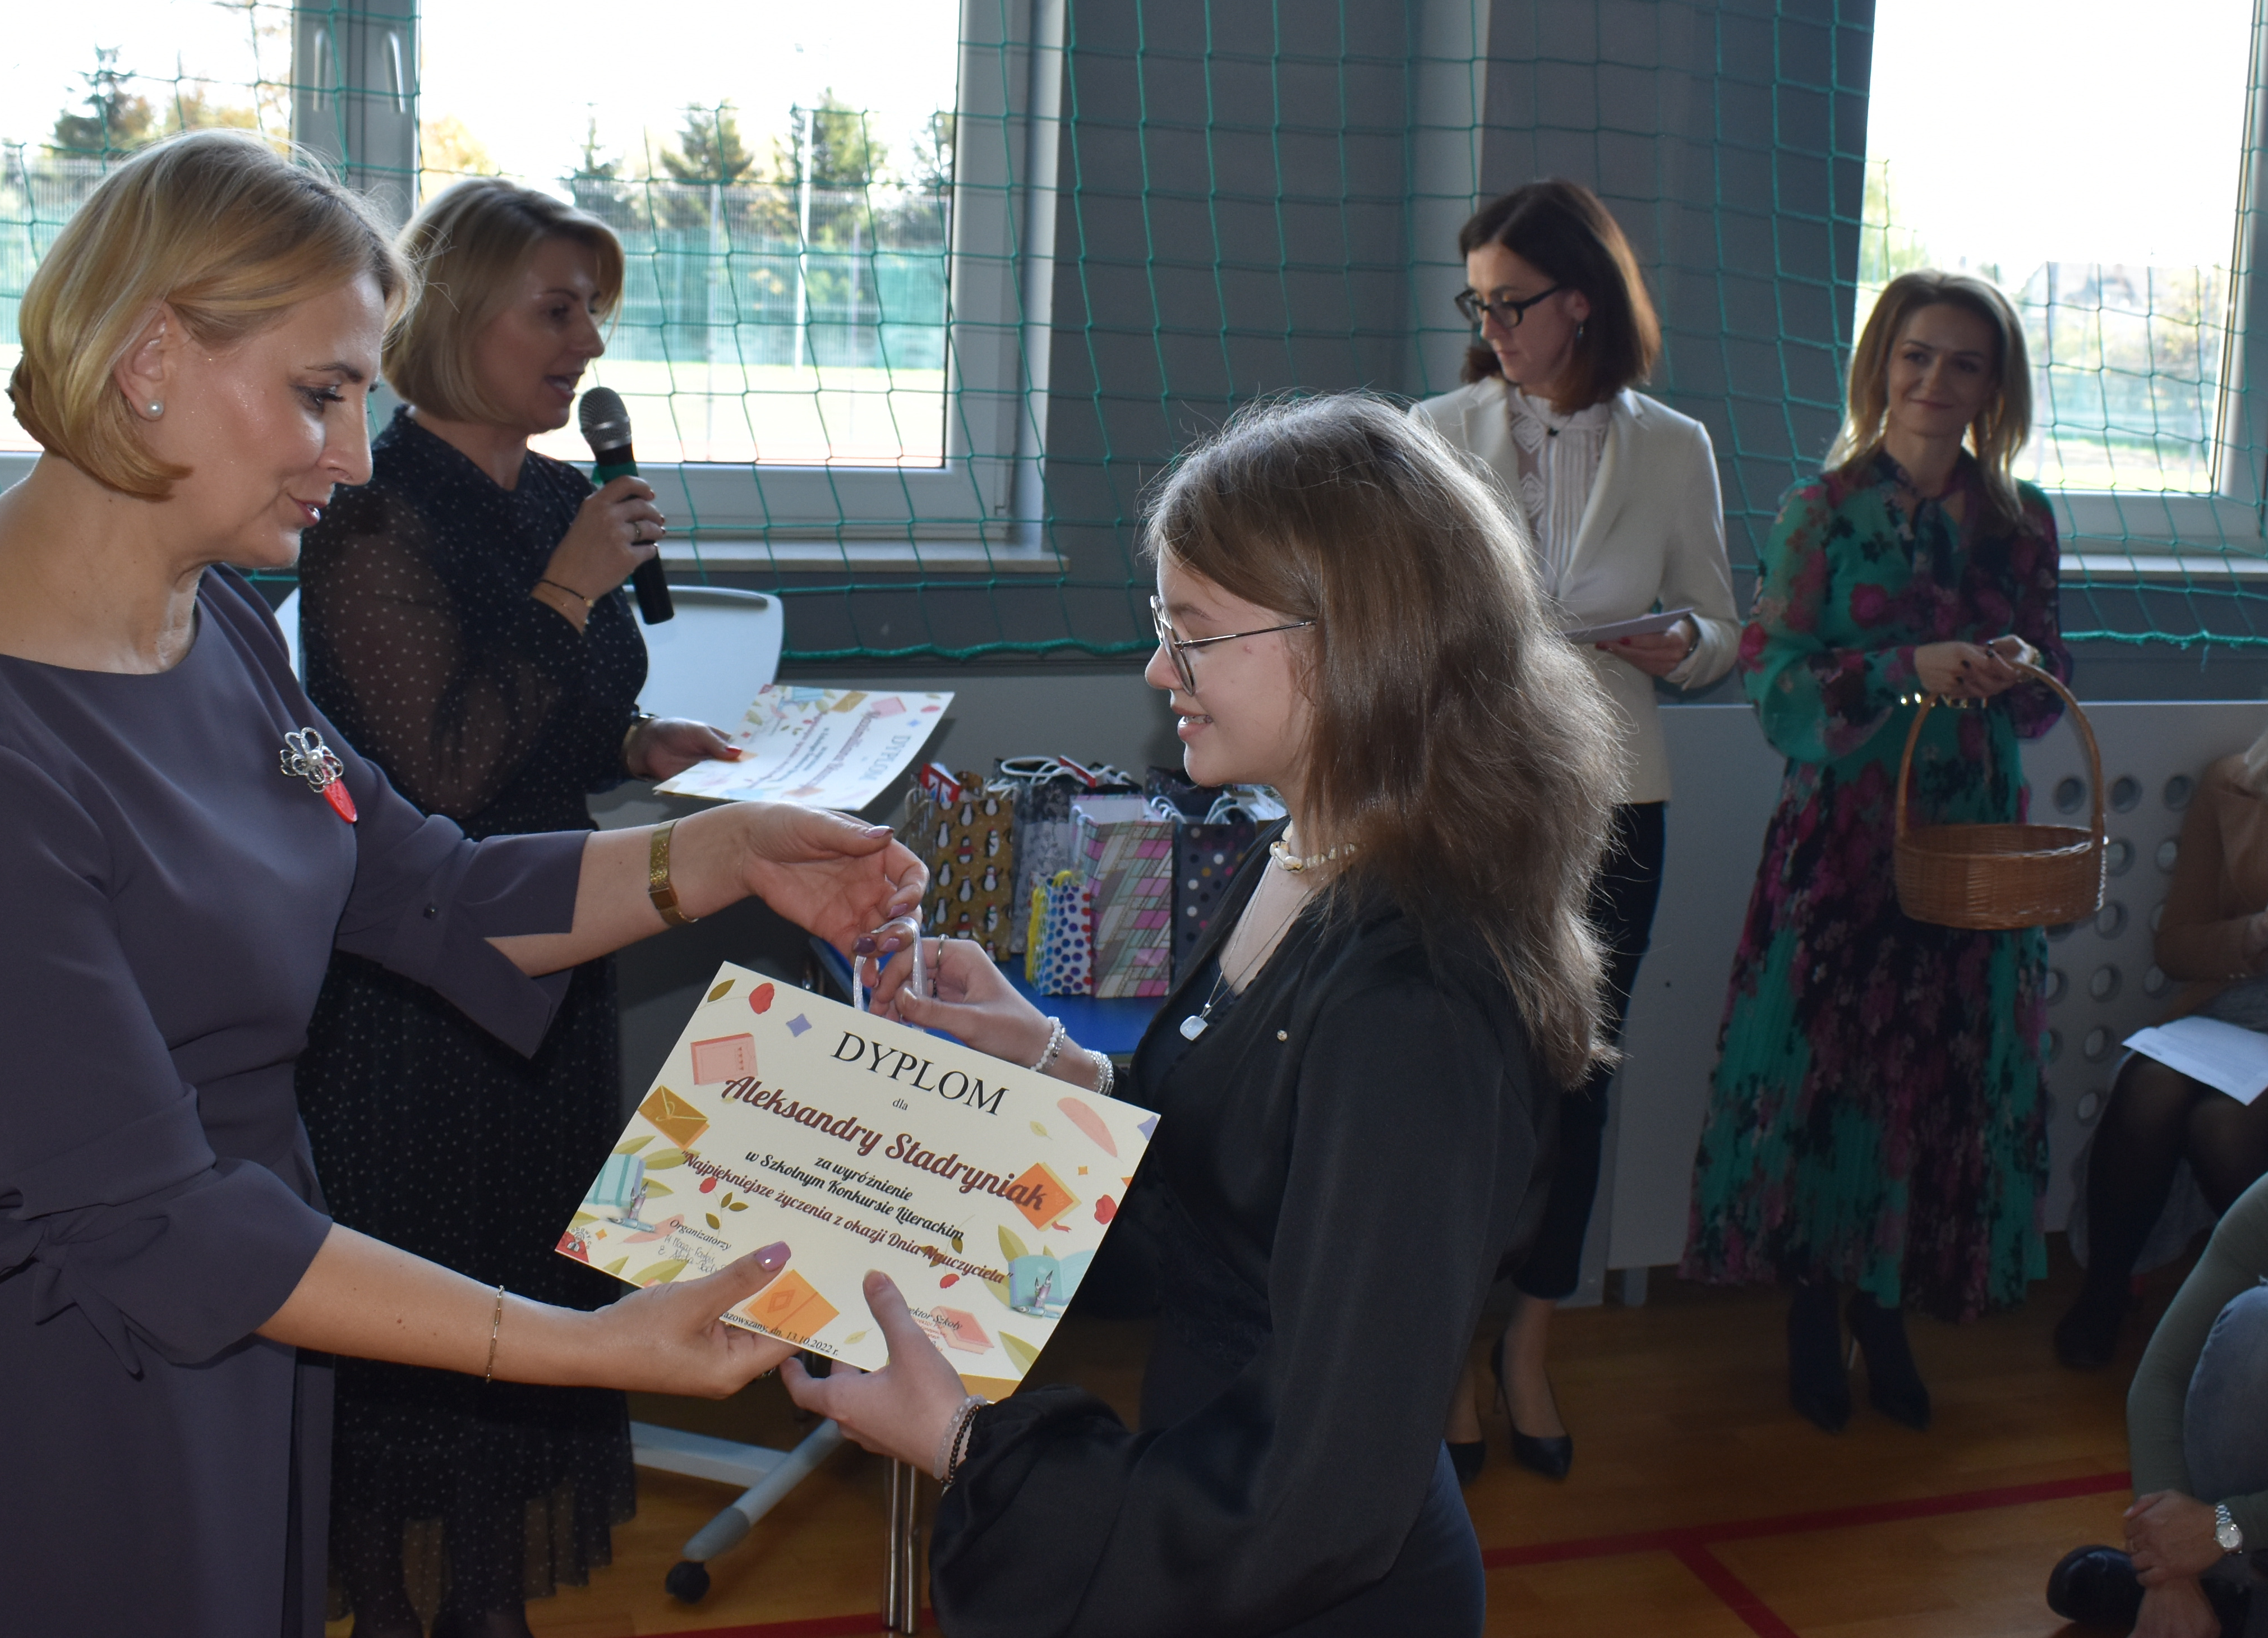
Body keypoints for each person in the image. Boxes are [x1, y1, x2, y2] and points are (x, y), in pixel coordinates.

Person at [0, 132, 923, 1638]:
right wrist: (584, 1346)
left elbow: (428, 889)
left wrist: (719, 853)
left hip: (257, 1310)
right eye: (321, 393)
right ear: (149, 360)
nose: (356, 455)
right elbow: (150, 1221)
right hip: (59, 1377)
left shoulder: (210, 625)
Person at [805, 393, 1621, 1636]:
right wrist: (1053, 1057)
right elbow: (1246, 1177)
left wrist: (967, 1441)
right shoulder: (1299, 851)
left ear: (1347, 643)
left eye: (1190, 633)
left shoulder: (1415, 1008)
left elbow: (1320, 1495)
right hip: (1215, 1470)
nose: (1156, 672)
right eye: (1161, 628)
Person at [291, 177, 740, 1638]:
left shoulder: (560, 499)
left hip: (558, 958)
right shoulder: (369, 512)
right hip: (413, 996)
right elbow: (440, 768)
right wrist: (565, 592)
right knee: (427, 1301)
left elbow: (552, 719)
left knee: (534, 1278)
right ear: (457, 316)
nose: (587, 342)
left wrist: (638, 744)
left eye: (592, 310)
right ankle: (393, 1607)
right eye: (555, 309)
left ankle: (488, 1607)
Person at [1681, 268, 2067, 1434]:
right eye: (1916, 354)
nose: (1936, 379)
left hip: (1973, 831)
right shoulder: (1822, 508)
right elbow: (1775, 676)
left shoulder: (2023, 519)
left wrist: (2011, 668)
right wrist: (1908, 669)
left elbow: (2048, 691)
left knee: (1942, 1072)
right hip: (1844, 835)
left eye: (1964, 362)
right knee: (1829, 1066)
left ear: (1994, 386)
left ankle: (1886, 1304)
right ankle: (1813, 1301)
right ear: (1881, 365)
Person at [1413, 177, 1739, 1481]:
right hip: (1472, 798)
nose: (1490, 326)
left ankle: (1530, 1347)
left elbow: (1718, 627)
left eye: (1512, 302)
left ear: (1583, 302)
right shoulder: (1433, 430)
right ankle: (1445, 1354)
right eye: (1477, 303)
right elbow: (1398, 620)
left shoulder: (1673, 446)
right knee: (1456, 1079)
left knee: (1575, 1078)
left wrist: (1683, 640)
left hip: (1616, 800)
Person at [2055, 727, 2268, 1369]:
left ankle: (2236, 1317)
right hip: (2233, 1002)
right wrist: (2252, 935)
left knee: (2219, 1126)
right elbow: (2174, 947)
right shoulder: (2234, 782)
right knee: (2148, 1082)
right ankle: (2104, 1292)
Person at [2044, 1178, 2268, 1637]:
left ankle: (2234, 1602)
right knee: (2256, 1326)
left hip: (2239, 1527)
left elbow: (2228, 1525)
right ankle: (2213, 1589)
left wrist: (2224, 1526)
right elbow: (2161, 1378)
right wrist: (2172, 1572)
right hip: (2237, 1534)